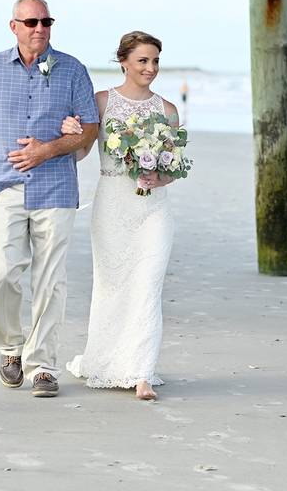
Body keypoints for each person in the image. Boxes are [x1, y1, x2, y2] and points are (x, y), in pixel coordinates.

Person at [0, 0, 99, 398]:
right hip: (5, 185)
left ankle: (44, 366)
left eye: (46, 22)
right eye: (31, 22)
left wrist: (47, 149)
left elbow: (90, 128)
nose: (39, 29)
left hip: (56, 188)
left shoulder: (72, 70)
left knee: (50, 281)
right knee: (1, 274)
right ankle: (10, 348)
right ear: (13, 26)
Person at [60, 31, 180, 402]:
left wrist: (158, 176)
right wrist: (71, 133)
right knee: (112, 286)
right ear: (124, 61)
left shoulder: (168, 110)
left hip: (152, 209)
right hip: (112, 203)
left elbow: (174, 167)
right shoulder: (101, 102)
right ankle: (106, 360)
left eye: (156, 61)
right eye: (143, 60)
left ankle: (141, 371)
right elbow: (79, 154)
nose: (151, 68)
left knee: (148, 284)